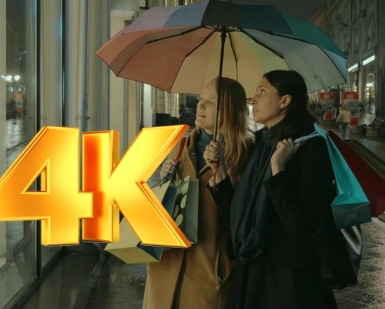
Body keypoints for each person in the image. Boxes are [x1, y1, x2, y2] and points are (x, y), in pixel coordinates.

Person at [204, 70, 341, 308]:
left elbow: (300, 226)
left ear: (284, 101)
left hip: (288, 282)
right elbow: (240, 215)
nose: (253, 99)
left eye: (262, 92)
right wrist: (221, 171)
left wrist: (278, 169)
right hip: (254, 273)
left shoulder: (310, 148)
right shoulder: (262, 145)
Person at [143, 77, 252, 308]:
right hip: (167, 265)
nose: (200, 106)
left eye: (211, 102)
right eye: (201, 100)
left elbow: (243, 217)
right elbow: (157, 200)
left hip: (208, 272)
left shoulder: (246, 155)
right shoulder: (181, 146)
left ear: (231, 109)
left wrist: (223, 171)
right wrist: (165, 177)